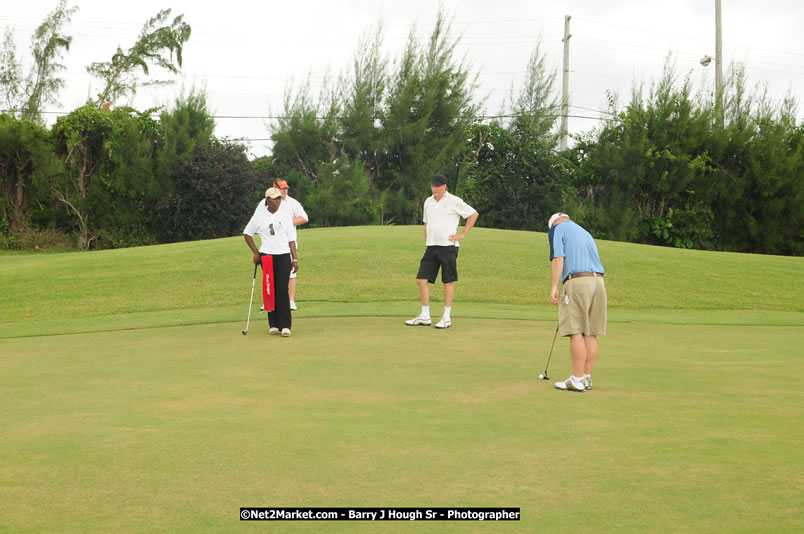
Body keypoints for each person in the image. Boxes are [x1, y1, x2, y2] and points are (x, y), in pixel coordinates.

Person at [405, 174, 479, 329]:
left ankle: (446, 317)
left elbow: (473, 214)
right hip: (431, 247)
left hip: (448, 247)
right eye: (432, 185)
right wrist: (427, 241)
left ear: (444, 186)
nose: (434, 189)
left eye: (437, 186)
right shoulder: (428, 202)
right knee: (421, 279)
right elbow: (426, 223)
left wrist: (463, 233)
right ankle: (425, 316)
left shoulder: (454, 201)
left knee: (447, 281)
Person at [547, 212, 607, 392]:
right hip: (598, 282)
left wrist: (554, 287)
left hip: (578, 282)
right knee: (590, 332)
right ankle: (586, 377)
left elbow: (558, 258)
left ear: (555, 223)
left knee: (576, 331)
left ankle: (577, 379)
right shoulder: (584, 232)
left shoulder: (557, 229)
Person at [244, 187, 298, 337]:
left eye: (279, 198)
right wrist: (256, 252)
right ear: (267, 200)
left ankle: (286, 325)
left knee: (282, 289)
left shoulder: (286, 216)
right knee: (270, 289)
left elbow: (291, 240)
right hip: (266, 256)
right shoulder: (259, 216)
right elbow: (247, 234)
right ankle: (273, 324)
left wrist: (295, 259)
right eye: (274, 199)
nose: (277, 201)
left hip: (283, 256)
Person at [274, 179, 309, 310]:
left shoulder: (293, 203)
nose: (284, 191)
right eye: (282, 188)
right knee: (272, 274)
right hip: (271, 244)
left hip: (289, 243)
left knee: (290, 273)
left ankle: (290, 301)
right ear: (275, 188)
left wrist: (288, 223)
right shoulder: (267, 203)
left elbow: (304, 218)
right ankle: (271, 302)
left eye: (286, 188)